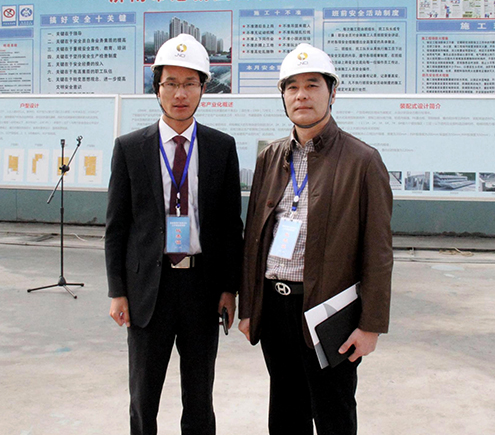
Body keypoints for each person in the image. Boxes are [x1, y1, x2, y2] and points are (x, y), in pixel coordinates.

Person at [238, 43, 393, 435]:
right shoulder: (271, 157)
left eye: (312, 85)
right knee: (285, 412)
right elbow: (254, 238)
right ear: (283, 96)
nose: (301, 95)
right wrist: (249, 306)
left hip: (329, 311)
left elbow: (378, 252)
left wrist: (371, 325)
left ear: (332, 92)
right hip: (275, 308)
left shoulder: (362, 160)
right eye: (291, 87)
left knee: (333, 412)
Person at [105, 33, 243, 435]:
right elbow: (117, 227)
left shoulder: (221, 147)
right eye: (171, 83)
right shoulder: (130, 148)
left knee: (199, 397)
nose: (180, 94)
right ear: (157, 88)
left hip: (202, 288)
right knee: (143, 396)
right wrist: (117, 291)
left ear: (203, 89)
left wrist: (229, 288)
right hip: (149, 289)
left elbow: (230, 225)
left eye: (190, 83)